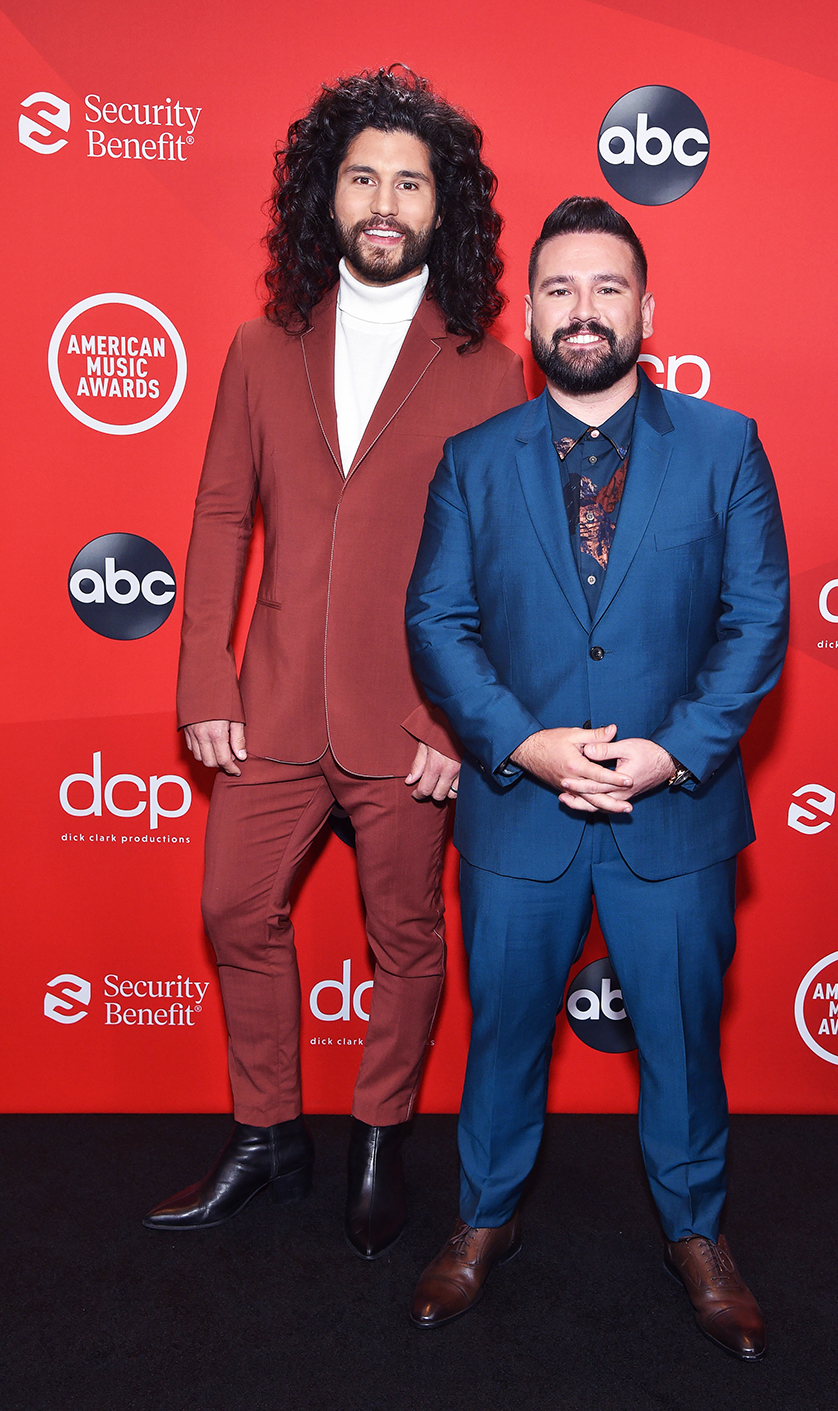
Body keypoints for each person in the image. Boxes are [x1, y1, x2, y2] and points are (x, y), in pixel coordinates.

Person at [143, 68, 525, 1257]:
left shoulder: (484, 364)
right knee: (232, 909)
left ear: (439, 208)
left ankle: (375, 1137)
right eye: (363, 175)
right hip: (266, 707)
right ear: (326, 195)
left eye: (410, 182)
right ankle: (268, 1135)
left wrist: (452, 721)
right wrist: (205, 682)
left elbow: (502, 566)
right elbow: (217, 517)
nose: (383, 199)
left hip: (407, 717)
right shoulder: (262, 346)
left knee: (405, 936)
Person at [405, 197, 788, 1357]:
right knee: (504, 1032)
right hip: (521, 811)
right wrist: (525, 743)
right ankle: (483, 1219)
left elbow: (756, 619)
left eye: (607, 289)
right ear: (530, 312)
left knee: (680, 1036)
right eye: (561, 289)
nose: (584, 311)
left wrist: (672, 750)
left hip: (671, 811)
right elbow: (437, 620)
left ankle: (696, 1232)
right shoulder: (471, 462)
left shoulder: (726, 446)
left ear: (647, 309)